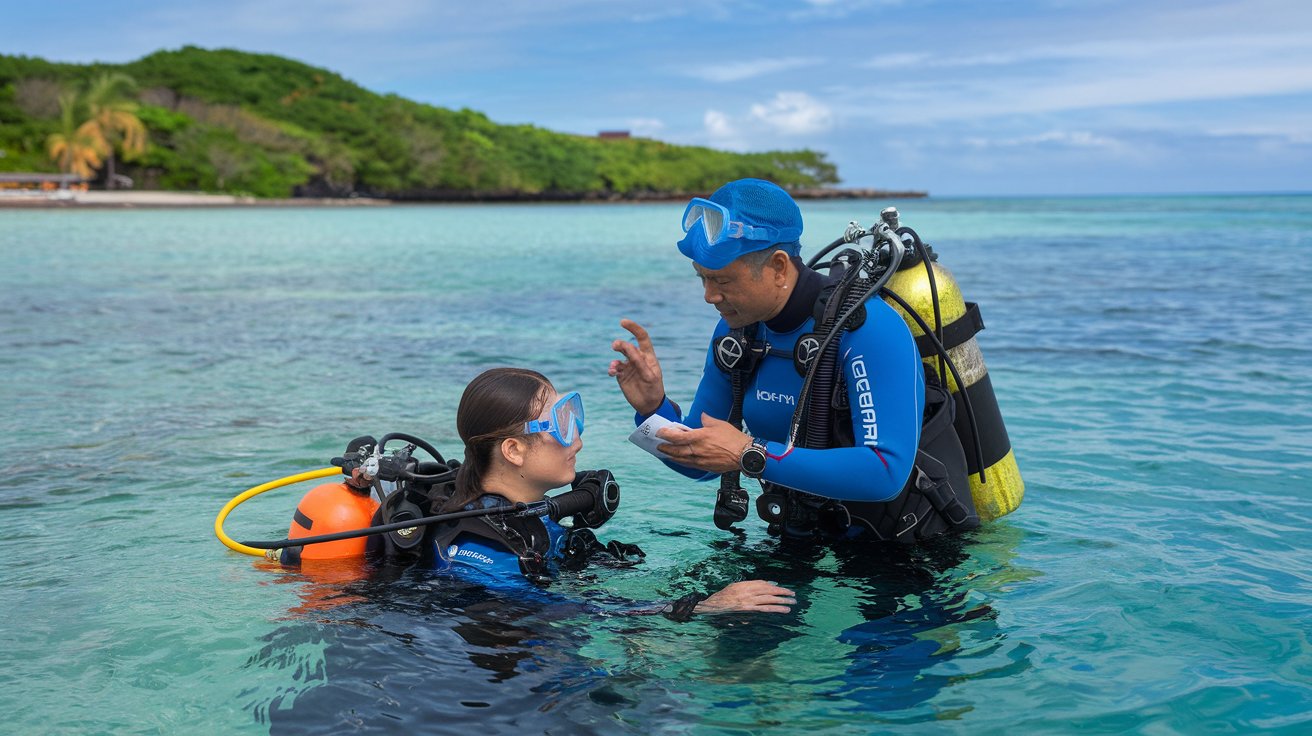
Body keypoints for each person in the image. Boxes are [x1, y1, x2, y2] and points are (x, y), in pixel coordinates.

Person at [609, 178, 978, 542]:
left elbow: (886, 470)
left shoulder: (867, 329)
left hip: (913, 551)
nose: (709, 296)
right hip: (808, 540)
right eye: (702, 279)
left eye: (722, 281)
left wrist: (748, 453)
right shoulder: (736, 334)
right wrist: (652, 409)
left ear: (779, 267)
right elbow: (699, 459)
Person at [431, 366, 795, 619]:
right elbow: (568, 612)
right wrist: (701, 607)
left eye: (571, 415)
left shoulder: (522, 516)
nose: (576, 437)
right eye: (559, 423)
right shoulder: (485, 555)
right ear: (513, 450)